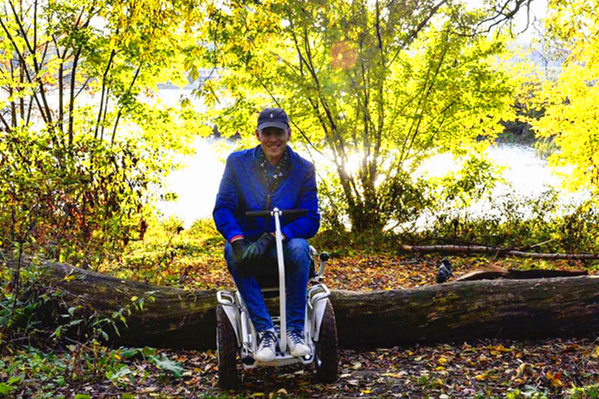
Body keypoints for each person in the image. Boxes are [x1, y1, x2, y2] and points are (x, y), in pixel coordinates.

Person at [213, 107, 320, 362]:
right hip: (249, 241)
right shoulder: (237, 163)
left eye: (279, 132)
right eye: (268, 132)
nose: (274, 139)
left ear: (288, 134)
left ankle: (295, 331)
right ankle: (265, 331)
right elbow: (223, 208)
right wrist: (237, 239)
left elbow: (311, 218)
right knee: (232, 252)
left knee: (299, 248)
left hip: (285, 242)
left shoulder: (304, 168)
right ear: (258, 134)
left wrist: (278, 235)